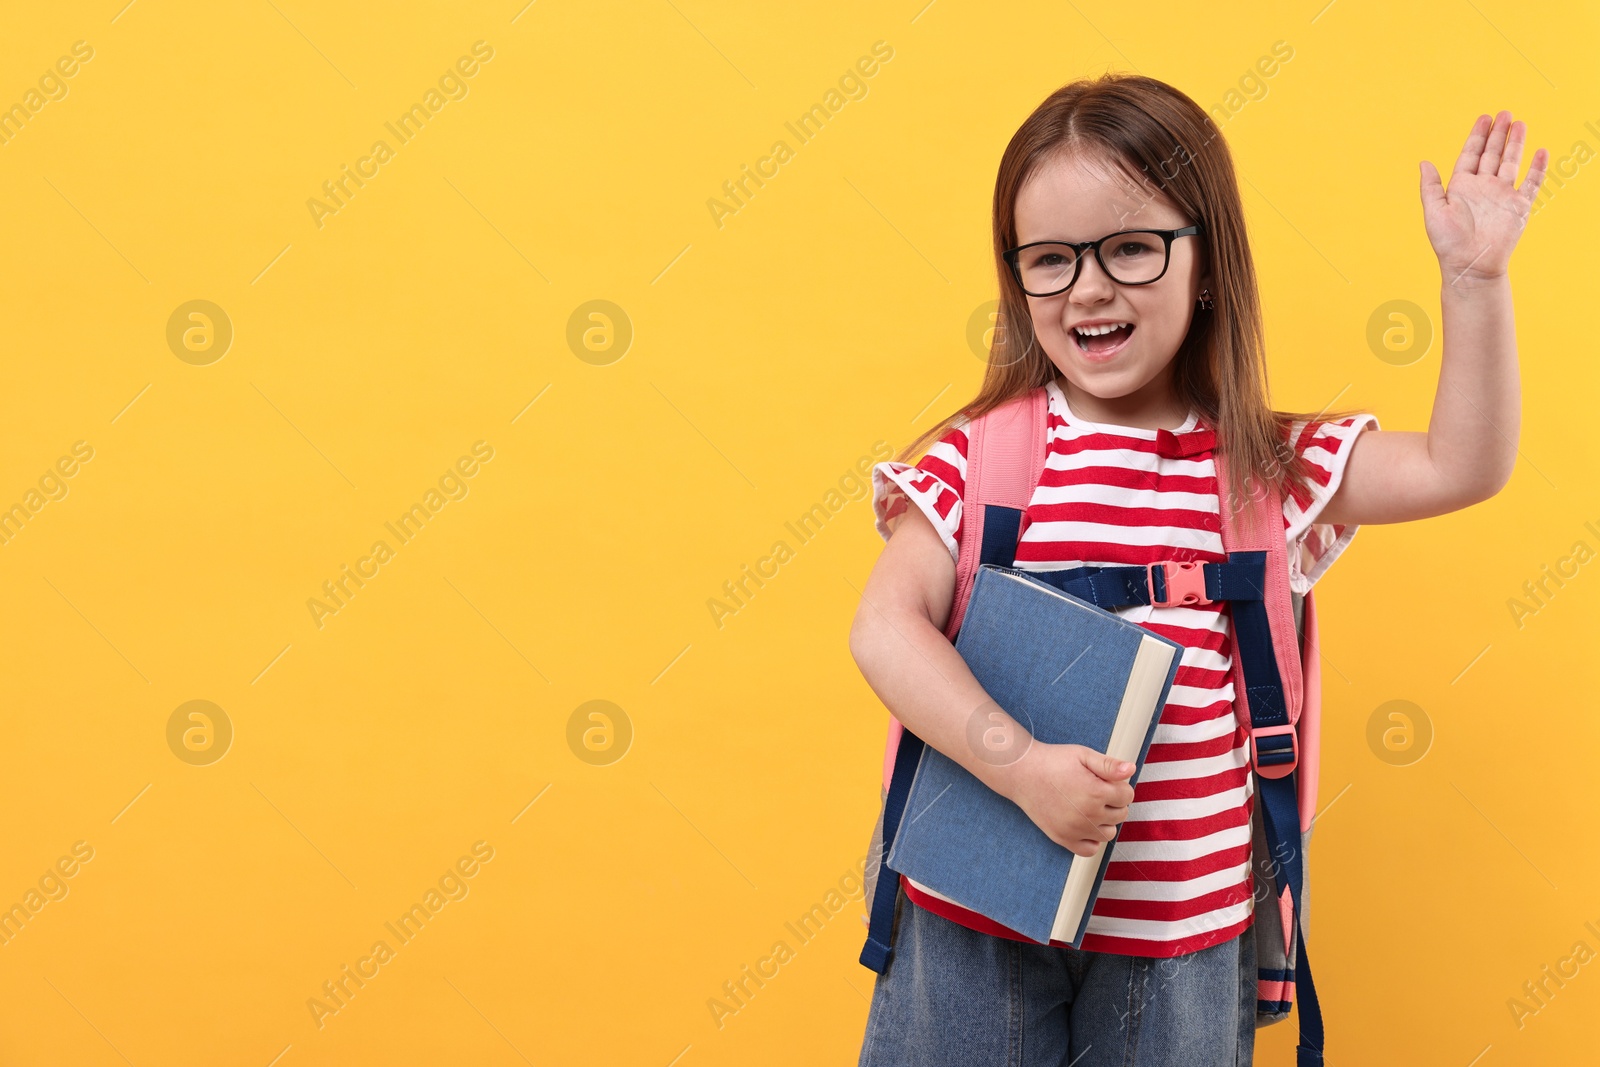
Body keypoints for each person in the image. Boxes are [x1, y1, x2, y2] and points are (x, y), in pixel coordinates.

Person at [849, 72, 1545, 1067]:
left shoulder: (1265, 464)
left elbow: (1460, 464)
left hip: (1180, 934)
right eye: (1049, 260)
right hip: (976, 911)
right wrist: (1018, 766)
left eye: (1130, 247)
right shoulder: (982, 456)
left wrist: (1475, 283)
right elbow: (882, 626)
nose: (1089, 287)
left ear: (1205, 258)